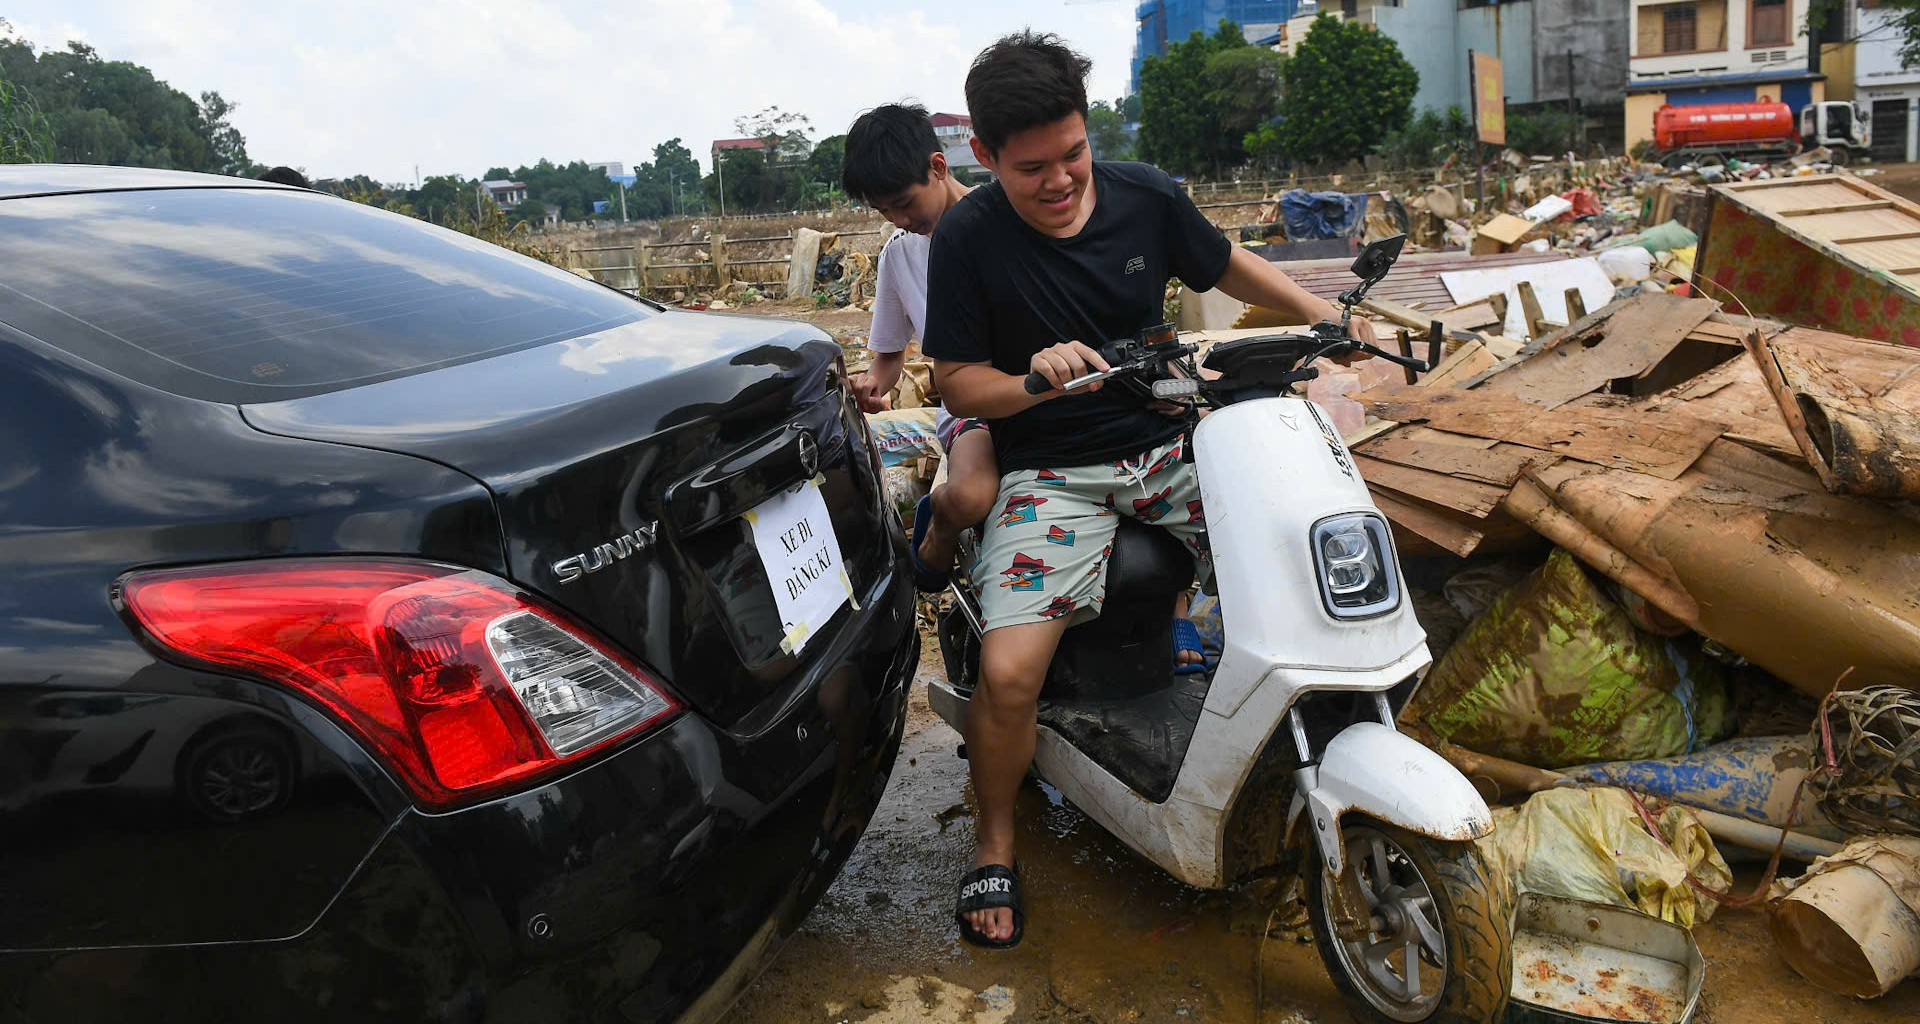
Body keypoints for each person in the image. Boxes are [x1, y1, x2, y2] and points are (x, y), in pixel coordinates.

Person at [921, 31, 1379, 949]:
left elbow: (1222, 264)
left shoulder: (1145, 194)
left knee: (1321, 546)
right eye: (1032, 169)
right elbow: (957, 382)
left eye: (1074, 154)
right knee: (1011, 676)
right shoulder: (967, 237)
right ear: (984, 156)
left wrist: (1322, 314)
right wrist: (1034, 385)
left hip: (1171, 444)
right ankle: (996, 840)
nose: (1061, 182)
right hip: (1052, 472)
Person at [838, 103, 1000, 593]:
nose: (898, 219)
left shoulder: (1006, 226)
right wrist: (870, 385)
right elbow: (890, 355)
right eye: (884, 210)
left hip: (1037, 392)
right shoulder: (900, 253)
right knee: (971, 496)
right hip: (974, 407)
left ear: (938, 166)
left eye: (905, 203)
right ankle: (940, 527)